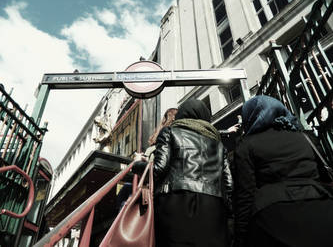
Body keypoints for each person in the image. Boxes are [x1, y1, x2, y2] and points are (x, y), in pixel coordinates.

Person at [233, 95, 333, 247]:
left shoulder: (245, 146)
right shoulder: (307, 138)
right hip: (322, 211)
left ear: (249, 117)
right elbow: (324, 176)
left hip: (274, 221)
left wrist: (241, 239)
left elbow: (246, 196)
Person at [133, 99, 232, 247]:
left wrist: (137, 165)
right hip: (213, 207)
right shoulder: (217, 143)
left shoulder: (170, 132)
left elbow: (159, 168)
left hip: (176, 203)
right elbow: (228, 183)